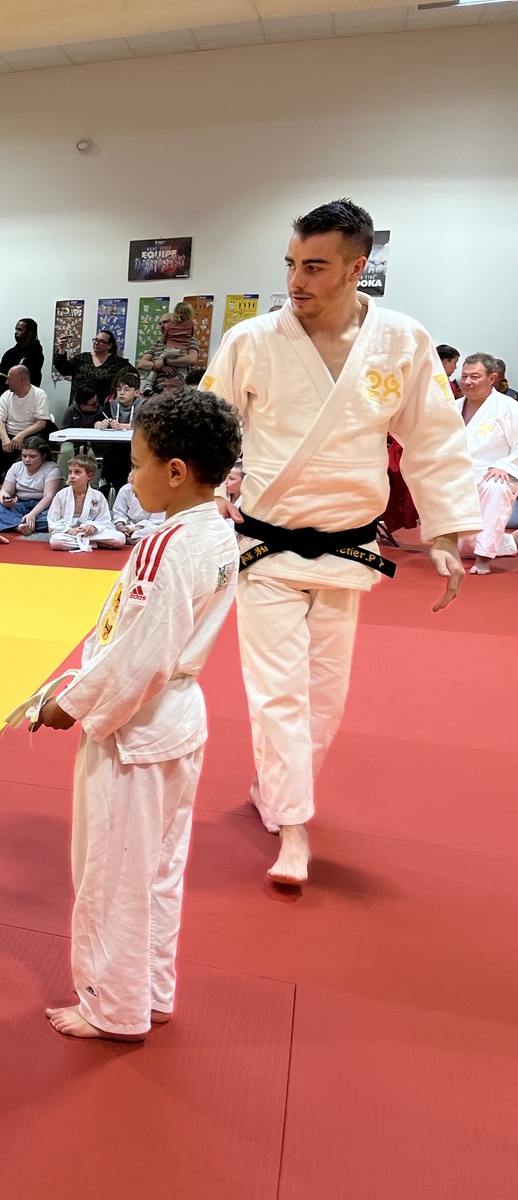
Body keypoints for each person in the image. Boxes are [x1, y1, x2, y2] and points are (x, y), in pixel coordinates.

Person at [201, 198, 480, 886]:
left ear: (357, 268)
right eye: (291, 263)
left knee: (324, 699)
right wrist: (204, 493)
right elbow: (208, 423)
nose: (296, 280)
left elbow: (434, 437)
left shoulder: (402, 341)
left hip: (348, 547)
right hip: (264, 547)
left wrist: (445, 531)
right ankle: (294, 828)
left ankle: (274, 791)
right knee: (278, 693)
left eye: (315, 266)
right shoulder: (251, 340)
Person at [32, 386, 243, 1042]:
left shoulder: (167, 545)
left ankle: (111, 1007)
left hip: (135, 730)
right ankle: (149, 992)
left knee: (112, 875)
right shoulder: (220, 533)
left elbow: (140, 657)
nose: (130, 475)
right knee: (157, 872)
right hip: (178, 723)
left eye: (137, 462)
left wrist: (68, 705)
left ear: (175, 472)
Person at [455, 353, 518, 574]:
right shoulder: (453, 407)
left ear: (492, 378)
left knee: (495, 487)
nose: (467, 382)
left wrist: (505, 466)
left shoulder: (508, 407)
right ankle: (510, 541)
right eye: (464, 376)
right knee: (464, 548)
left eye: (474, 377)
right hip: (458, 476)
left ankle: (483, 559)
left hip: (494, 474)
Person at [0, 365, 52, 484]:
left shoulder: (39, 394)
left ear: (21, 380)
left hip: (30, 434)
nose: (6, 382)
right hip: (9, 433)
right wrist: (5, 439)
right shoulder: (6, 395)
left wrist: (21, 436)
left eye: (9, 379)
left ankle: (27, 483)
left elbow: (41, 423)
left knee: (31, 447)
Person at [47, 454, 126, 551]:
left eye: (77, 472)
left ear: (89, 476)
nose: (72, 476)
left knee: (120, 538)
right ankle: (94, 543)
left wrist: (93, 526)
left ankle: (82, 541)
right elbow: (52, 521)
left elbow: (104, 519)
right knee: (55, 541)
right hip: (69, 532)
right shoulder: (61, 495)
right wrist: (70, 530)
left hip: (91, 533)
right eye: (70, 472)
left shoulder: (98, 496)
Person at [0, 436, 60, 537]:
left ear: (43, 456)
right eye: (24, 456)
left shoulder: (52, 469)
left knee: (56, 517)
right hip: (20, 503)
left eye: (32, 456)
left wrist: (33, 514)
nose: (27, 460)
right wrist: (5, 500)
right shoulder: (16, 467)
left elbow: (49, 497)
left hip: (43, 506)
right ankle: (21, 526)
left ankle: (13, 524)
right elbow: (5, 491)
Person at [53, 329, 133, 414]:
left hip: (102, 409)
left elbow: (133, 377)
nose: (96, 343)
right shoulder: (82, 358)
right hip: (79, 408)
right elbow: (64, 370)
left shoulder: (117, 362)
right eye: (95, 340)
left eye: (101, 341)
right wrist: (61, 348)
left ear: (109, 345)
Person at [113, 471, 164, 543]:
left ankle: (130, 539)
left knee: (158, 530)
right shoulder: (125, 489)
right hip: (128, 525)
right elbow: (119, 512)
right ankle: (130, 538)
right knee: (111, 530)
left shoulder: (158, 491)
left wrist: (137, 528)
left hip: (148, 526)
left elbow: (157, 520)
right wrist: (120, 526)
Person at [0, 318, 45, 387]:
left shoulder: (36, 354)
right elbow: (0, 372)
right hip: (6, 390)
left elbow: (29, 378)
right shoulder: (10, 353)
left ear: (30, 332)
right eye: (16, 329)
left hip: (25, 391)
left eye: (20, 330)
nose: (16, 332)